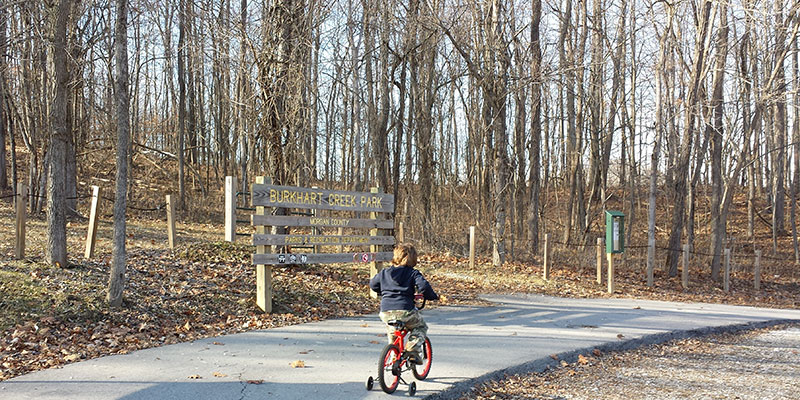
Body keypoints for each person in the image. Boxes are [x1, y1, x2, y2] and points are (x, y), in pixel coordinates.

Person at [369, 243, 439, 364]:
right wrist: (431, 296)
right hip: (405, 310)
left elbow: (373, 285)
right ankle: (412, 350)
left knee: (393, 331)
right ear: (412, 258)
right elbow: (423, 286)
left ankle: (393, 356)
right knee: (420, 326)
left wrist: (384, 291)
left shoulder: (385, 272)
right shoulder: (412, 273)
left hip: (386, 311)